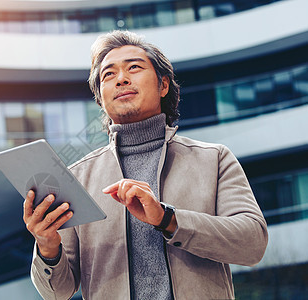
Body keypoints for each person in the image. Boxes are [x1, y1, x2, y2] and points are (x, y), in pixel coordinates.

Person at [23, 30, 268, 299]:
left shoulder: (214, 159)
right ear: (101, 100)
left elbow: (252, 243)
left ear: (163, 85)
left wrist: (168, 219)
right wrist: (47, 246)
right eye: (108, 74)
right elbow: (57, 292)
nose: (122, 79)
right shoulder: (77, 178)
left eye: (134, 68)